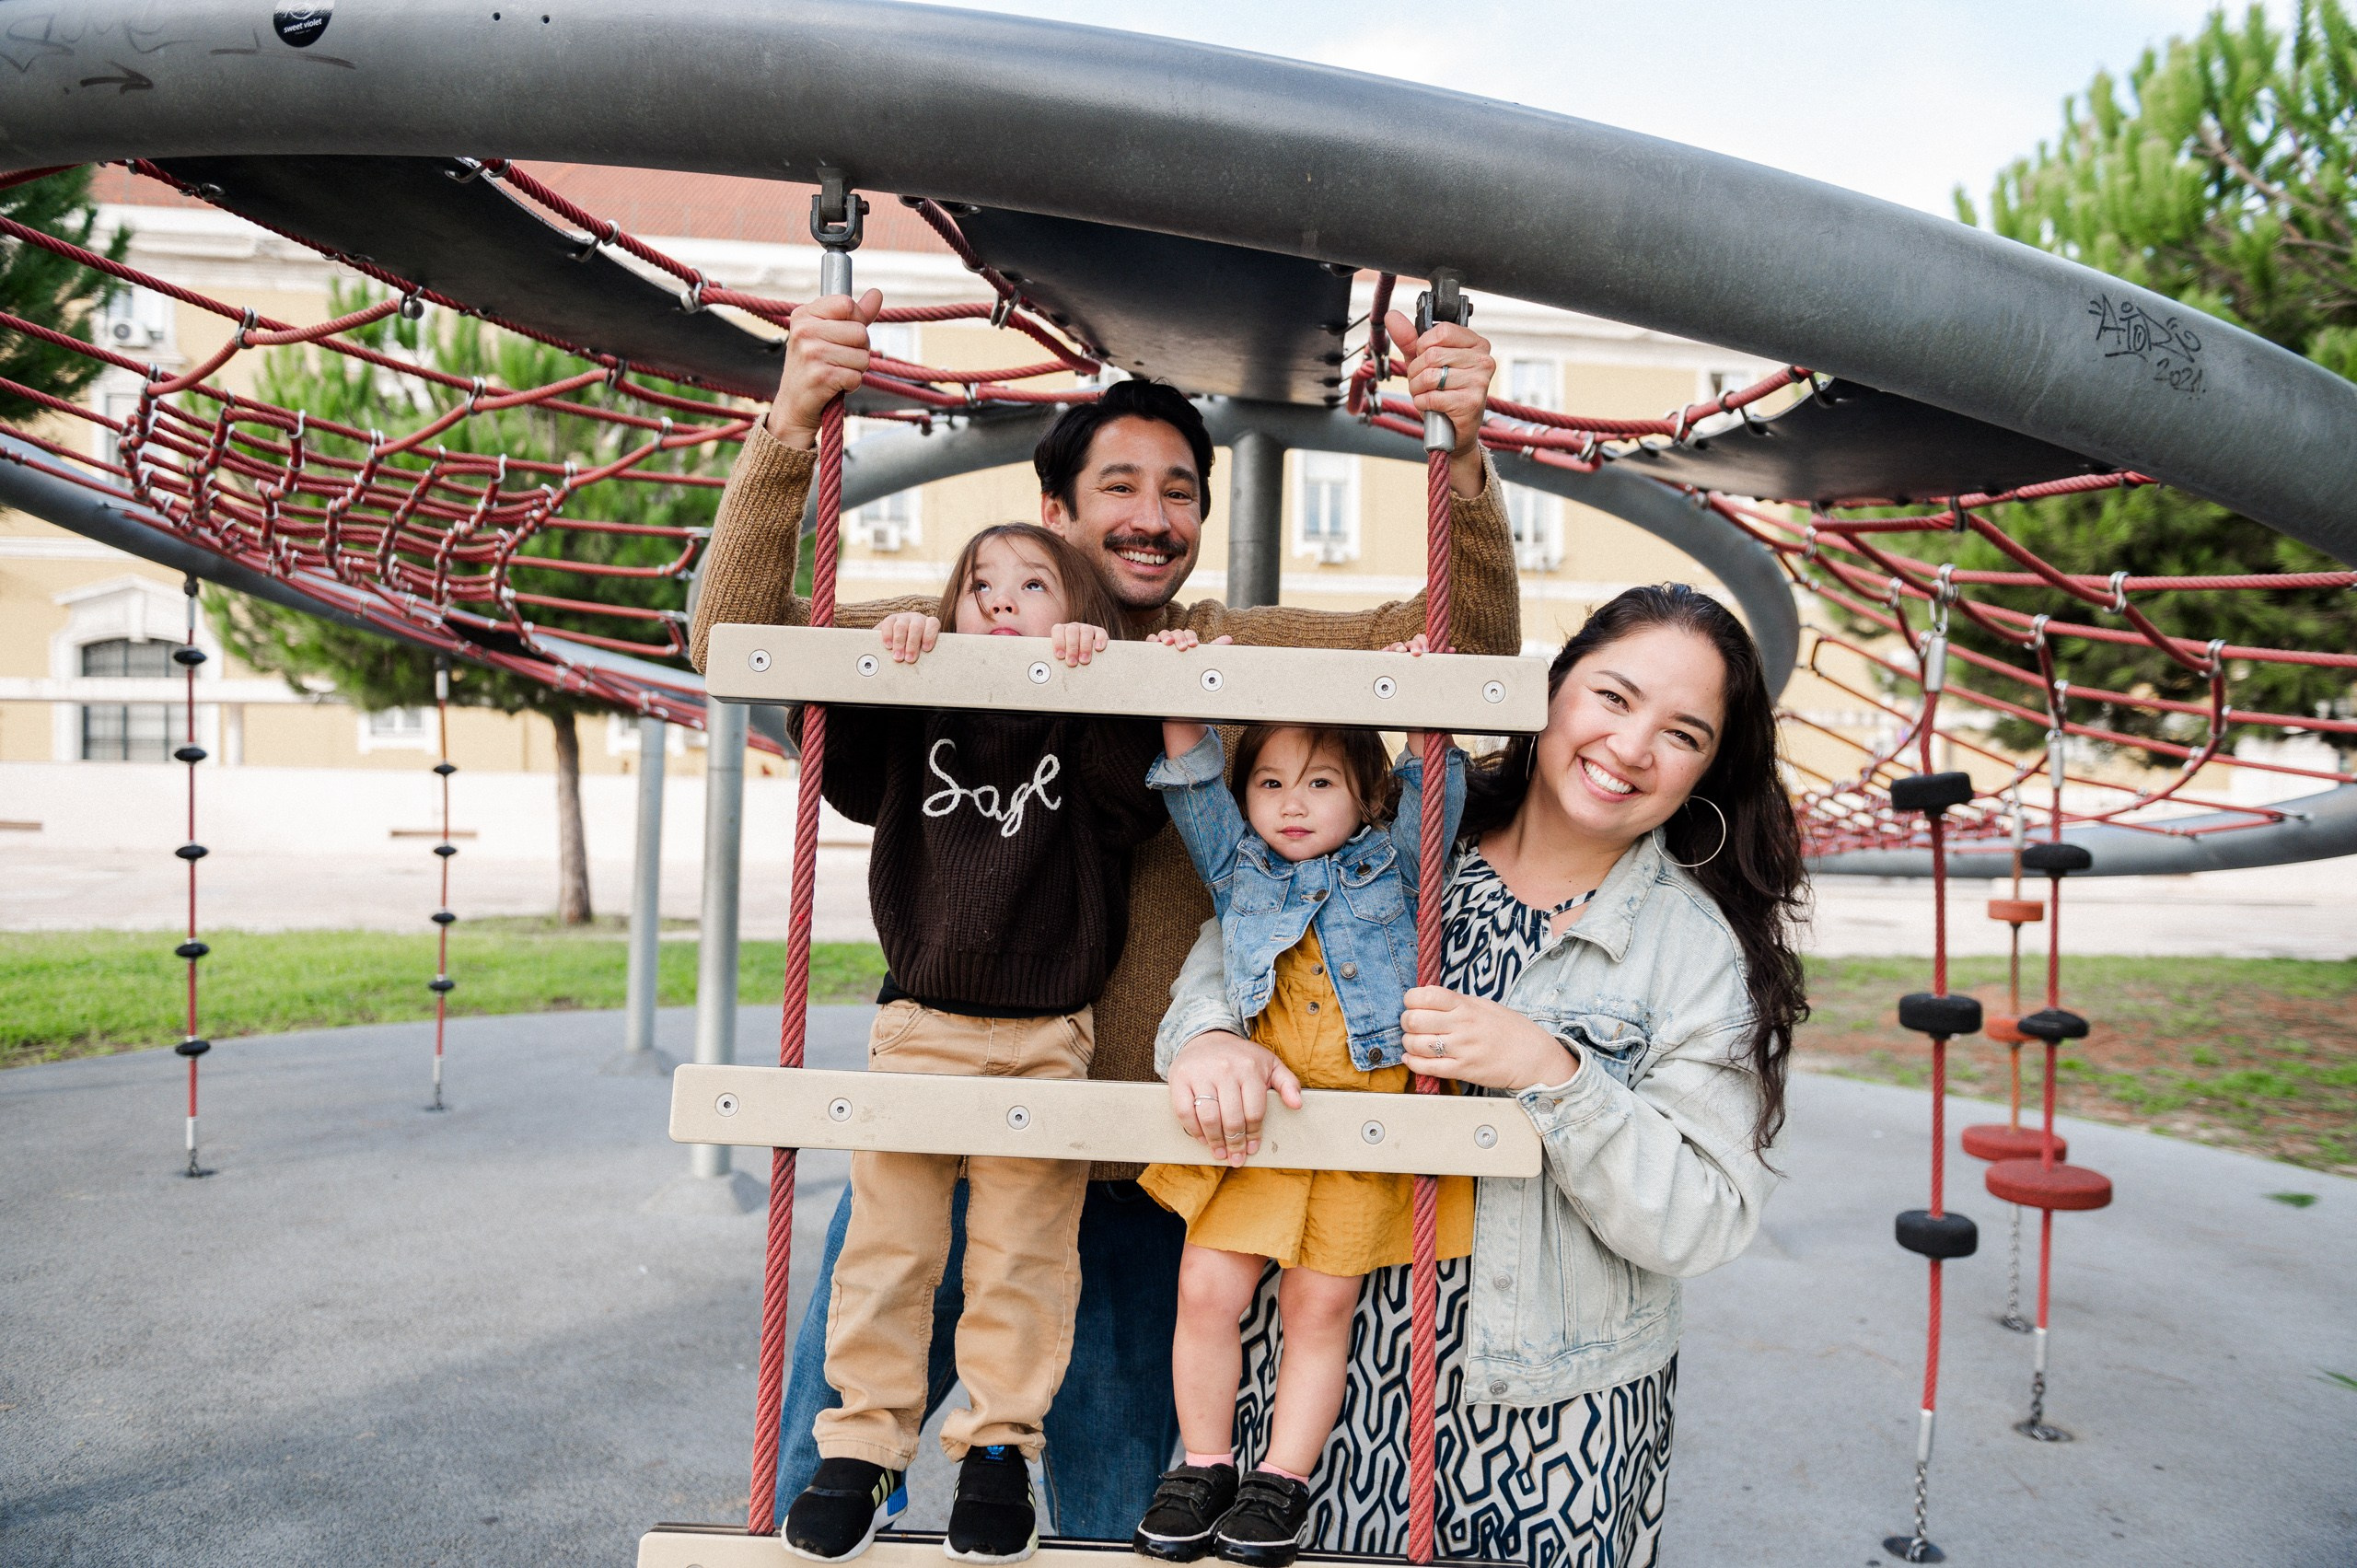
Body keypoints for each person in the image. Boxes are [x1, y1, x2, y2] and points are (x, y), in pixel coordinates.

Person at [687, 285, 1520, 1538]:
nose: (1150, 515)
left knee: (1121, 1497)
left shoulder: (1231, 652)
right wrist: (793, 422)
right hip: (960, 1095)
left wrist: (1461, 460)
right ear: (1055, 509)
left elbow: (1458, 645)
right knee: (842, 1450)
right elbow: (732, 633)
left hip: (1153, 1152)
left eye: (1179, 489)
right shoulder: (970, 634)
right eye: (1119, 485)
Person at [1155, 586, 1808, 1568]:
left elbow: (1701, 1216)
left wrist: (1553, 1073)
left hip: (1545, 1417)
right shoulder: (1394, 845)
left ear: (1709, 769)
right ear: (1550, 696)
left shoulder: (1690, 949)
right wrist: (1206, 1035)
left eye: (1682, 732)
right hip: (1326, 1395)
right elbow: (1239, 945)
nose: (1630, 747)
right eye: (1613, 697)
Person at [776, 522, 1165, 1564]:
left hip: (1046, 1032)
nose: (1001, 600)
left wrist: (1109, 679)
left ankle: (997, 1444)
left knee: (1022, 1256)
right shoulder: (928, 694)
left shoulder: (1082, 711)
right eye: (976, 585)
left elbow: (1135, 809)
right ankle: (863, 1442)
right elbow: (844, 770)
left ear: (1077, 608)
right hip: (921, 1021)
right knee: (889, 1241)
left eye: (1033, 584)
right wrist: (886, 658)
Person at [1127, 676, 1471, 1568]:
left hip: (1362, 1123)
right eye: (1269, 781)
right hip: (1258, 1122)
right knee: (1208, 1289)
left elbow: (1438, 786)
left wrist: (1415, 689)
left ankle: (1280, 1478)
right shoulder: (1238, 869)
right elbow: (1192, 782)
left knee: (1320, 1304)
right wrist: (1181, 689)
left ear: (1365, 797)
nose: (1290, 801)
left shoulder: (1392, 865)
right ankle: (1202, 1465)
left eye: (1319, 781)